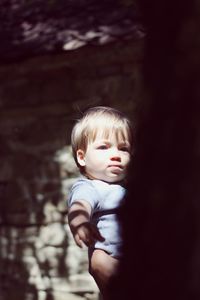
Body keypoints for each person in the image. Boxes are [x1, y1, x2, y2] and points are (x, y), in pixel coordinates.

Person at [67, 106, 133, 298]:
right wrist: (80, 223)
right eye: (104, 147)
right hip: (115, 262)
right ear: (82, 157)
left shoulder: (130, 189)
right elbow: (80, 205)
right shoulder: (91, 187)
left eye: (123, 148)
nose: (116, 154)